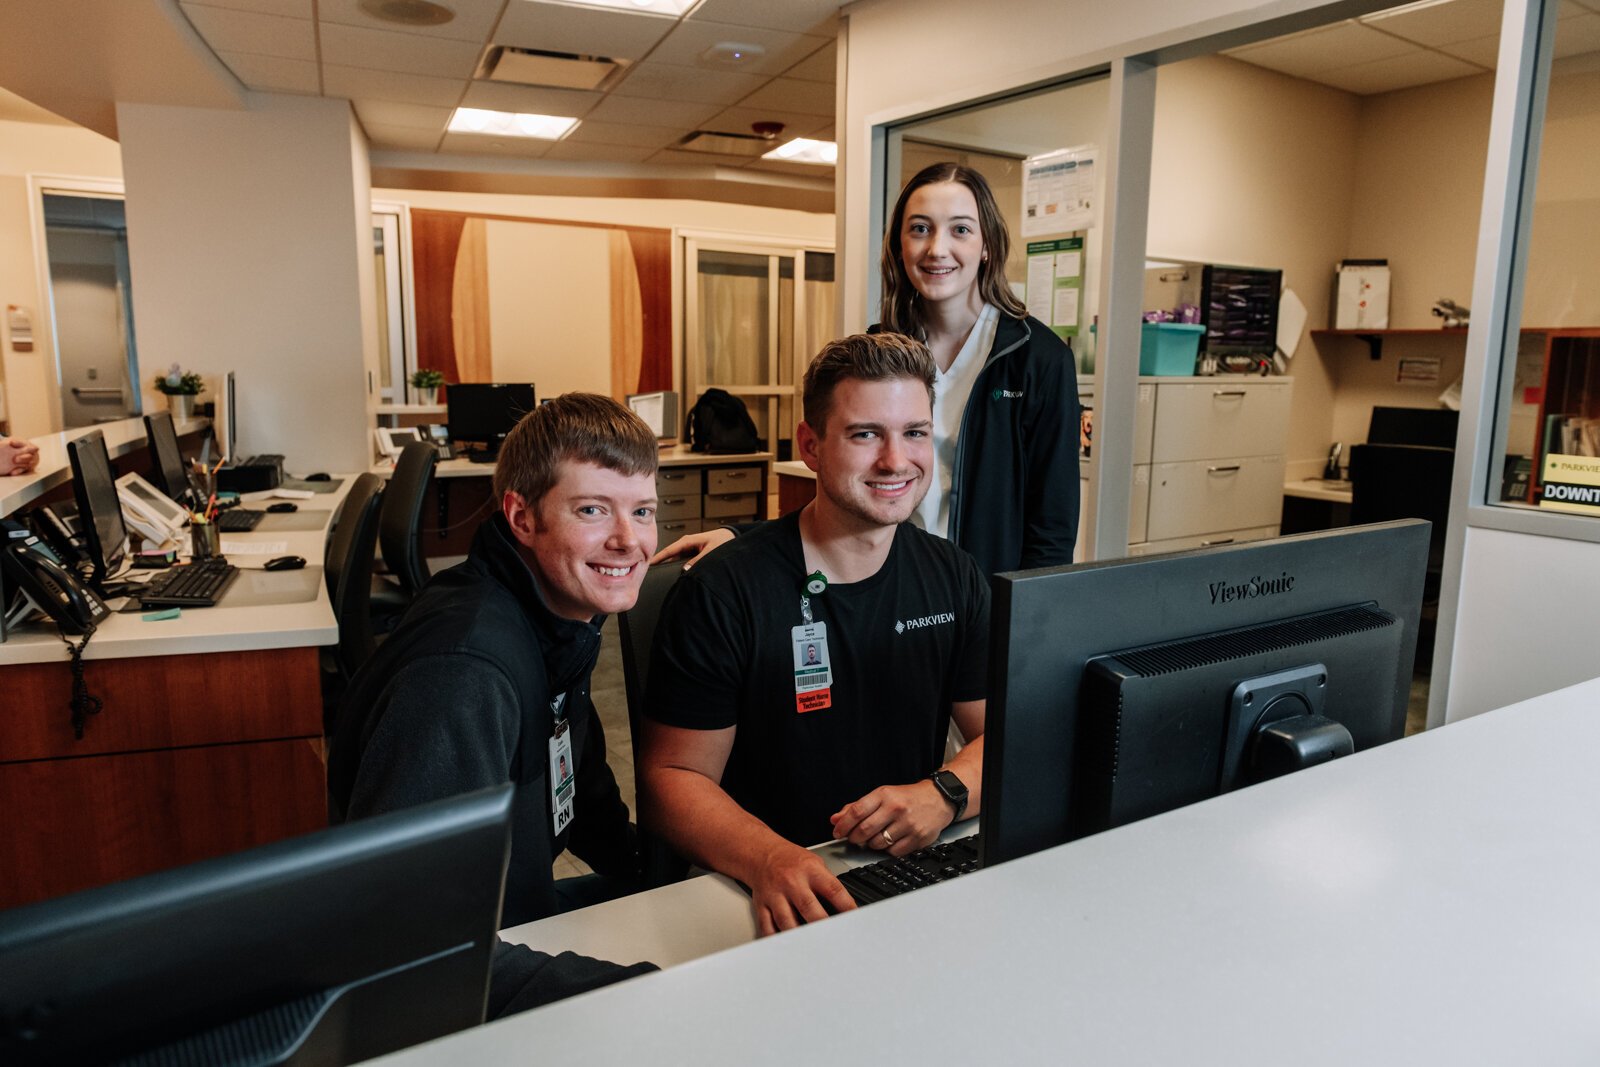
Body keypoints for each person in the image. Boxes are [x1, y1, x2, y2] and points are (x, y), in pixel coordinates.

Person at [639, 333, 989, 936]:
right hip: (759, 884)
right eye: (864, 435)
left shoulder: (952, 576)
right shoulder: (725, 592)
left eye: (914, 433)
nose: (895, 460)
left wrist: (946, 793)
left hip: (902, 871)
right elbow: (672, 780)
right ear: (810, 446)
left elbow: (1005, 733)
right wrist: (767, 856)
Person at [326, 393, 660, 1014]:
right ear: (523, 517)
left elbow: (575, 771)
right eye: (592, 509)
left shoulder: (559, 616)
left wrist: (660, 868)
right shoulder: (465, 673)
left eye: (643, 511)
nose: (628, 539)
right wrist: (641, 997)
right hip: (454, 980)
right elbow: (413, 944)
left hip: (517, 923)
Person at [656, 161, 1080, 577]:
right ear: (899, 245)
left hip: (984, 593)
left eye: (961, 229)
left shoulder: (1036, 358)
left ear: (986, 246)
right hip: (890, 586)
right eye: (920, 228)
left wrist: (1024, 623)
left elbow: (1052, 523)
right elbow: (842, 494)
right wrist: (741, 535)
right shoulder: (876, 352)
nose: (937, 248)